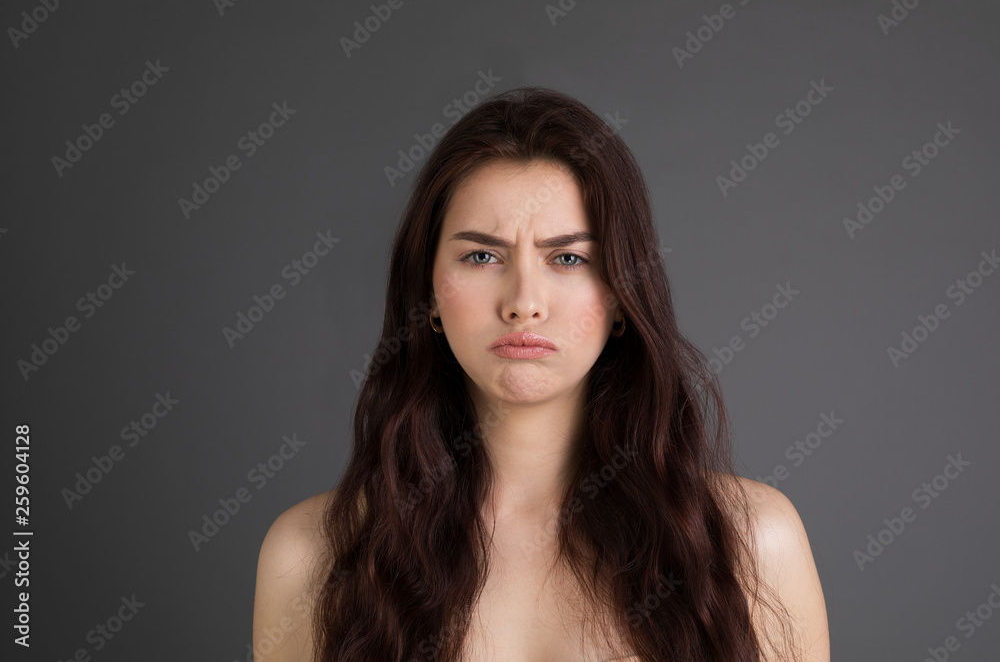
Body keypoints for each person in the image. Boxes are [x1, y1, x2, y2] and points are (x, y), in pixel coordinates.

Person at [252, 86, 829, 661]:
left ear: (623, 295)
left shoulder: (752, 543)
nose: (524, 302)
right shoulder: (311, 556)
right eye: (482, 256)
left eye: (568, 258)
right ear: (427, 293)